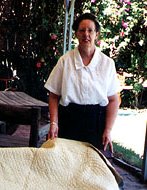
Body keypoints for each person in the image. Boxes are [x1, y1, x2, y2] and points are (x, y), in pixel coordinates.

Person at [44, 12, 121, 153]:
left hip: (96, 122)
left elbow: (113, 100)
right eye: (82, 30)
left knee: (92, 166)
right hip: (69, 120)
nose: (86, 34)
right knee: (66, 163)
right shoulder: (65, 61)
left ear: (96, 34)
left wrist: (108, 130)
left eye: (90, 30)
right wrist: (54, 124)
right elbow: (53, 95)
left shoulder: (107, 64)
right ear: (76, 34)